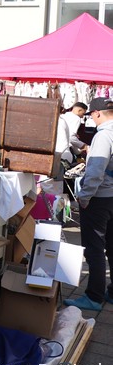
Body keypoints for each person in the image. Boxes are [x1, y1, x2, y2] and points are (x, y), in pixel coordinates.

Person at [64, 97, 113, 311]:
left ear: (98, 114)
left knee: (94, 248)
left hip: (100, 199)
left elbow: (95, 172)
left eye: (91, 115)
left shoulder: (104, 136)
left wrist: (83, 198)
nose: (91, 118)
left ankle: (93, 296)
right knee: (111, 246)